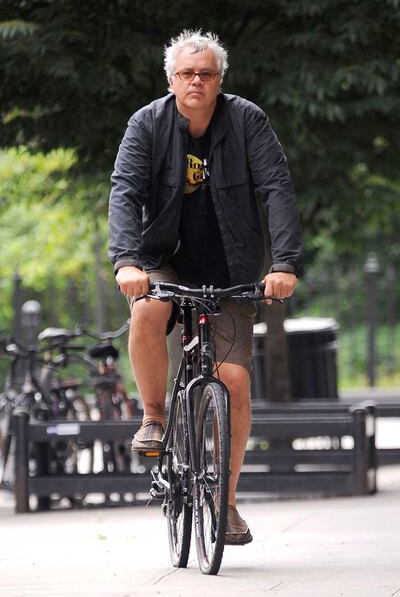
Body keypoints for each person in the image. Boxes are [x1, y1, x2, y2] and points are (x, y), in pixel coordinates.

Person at [108, 29, 303, 545]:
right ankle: (153, 417)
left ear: (219, 80)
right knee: (147, 308)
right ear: (171, 79)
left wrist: (284, 263)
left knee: (234, 381)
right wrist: (127, 261)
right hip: (164, 259)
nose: (196, 81)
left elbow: (276, 189)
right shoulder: (146, 124)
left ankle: (228, 502)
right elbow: (125, 193)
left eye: (206, 74)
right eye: (187, 73)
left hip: (233, 267)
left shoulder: (247, 120)